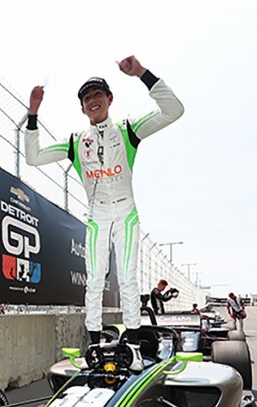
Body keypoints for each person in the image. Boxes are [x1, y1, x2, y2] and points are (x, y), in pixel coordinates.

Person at [25, 55, 184, 361]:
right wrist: (32, 114)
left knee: (127, 277)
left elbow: (174, 110)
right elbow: (33, 157)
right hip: (97, 216)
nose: (93, 100)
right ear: (82, 108)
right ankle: (95, 342)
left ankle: (134, 344)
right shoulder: (75, 141)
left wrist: (141, 73)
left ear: (110, 99)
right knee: (95, 278)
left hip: (126, 213)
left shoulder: (128, 130)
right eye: (87, 97)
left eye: (98, 94)